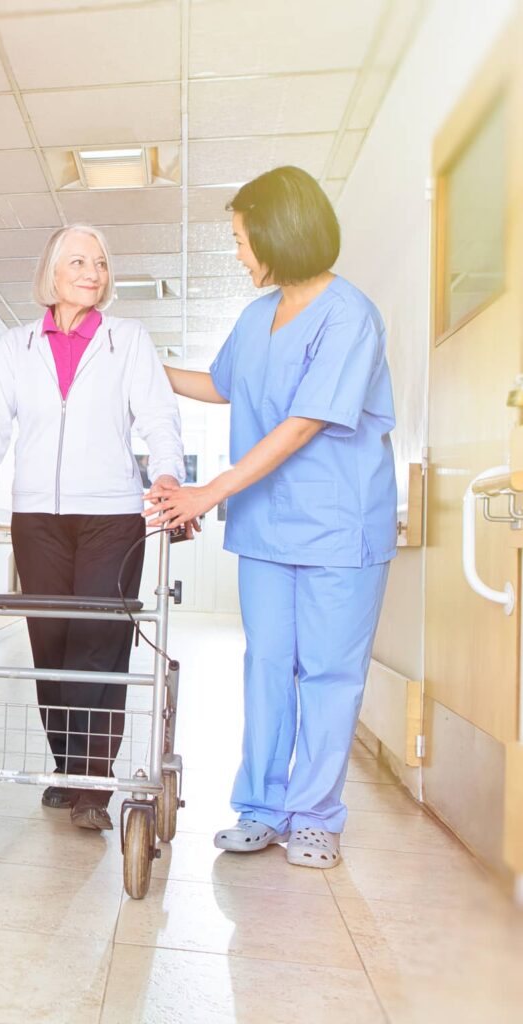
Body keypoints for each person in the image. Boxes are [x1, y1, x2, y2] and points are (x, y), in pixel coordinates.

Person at [145, 166, 397, 868]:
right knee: (267, 667)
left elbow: (301, 425)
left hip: (336, 525)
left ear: (277, 233)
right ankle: (258, 807)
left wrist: (206, 493)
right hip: (266, 528)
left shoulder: (350, 315)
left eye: (239, 238)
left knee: (326, 672)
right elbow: (220, 386)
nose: (236, 252)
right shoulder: (256, 316)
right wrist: (147, 362)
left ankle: (313, 816)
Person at [0, 224, 187, 832]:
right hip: (38, 518)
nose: (93, 272)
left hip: (113, 516)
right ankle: (67, 767)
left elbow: (159, 415)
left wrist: (168, 473)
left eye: (102, 263)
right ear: (52, 273)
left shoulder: (126, 340)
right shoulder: (18, 345)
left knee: (98, 643)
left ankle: (94, 784)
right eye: (79, 261)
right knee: (50, 646)